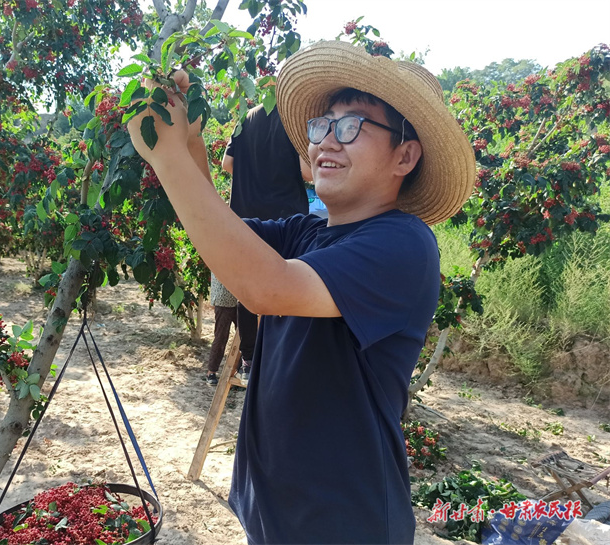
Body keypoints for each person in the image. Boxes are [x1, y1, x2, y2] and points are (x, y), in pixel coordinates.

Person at [127, 40, 474, 544]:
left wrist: (165, 158)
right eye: (322, 125)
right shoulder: (308, 231)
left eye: (351, 125)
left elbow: (265, 287)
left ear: (405, 155)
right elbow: (226, 241)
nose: (327, 141)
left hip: (340, 522)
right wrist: (191, 144)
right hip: (277, 509)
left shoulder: (403, 244)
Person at [222, 104, 312, 384]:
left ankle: (249, 358)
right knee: (286, 291)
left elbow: (227, 164)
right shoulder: (295, 120)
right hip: (285, 220)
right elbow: (307, 172)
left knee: (247, 288)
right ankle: (279, 360)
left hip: (246, 218)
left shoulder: (244, 118)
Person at [204, 272, 238, 385]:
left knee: (245, 337)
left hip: (241, 299)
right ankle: (211, 372)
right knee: (221, 337)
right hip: (224, 298)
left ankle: (239, 371)